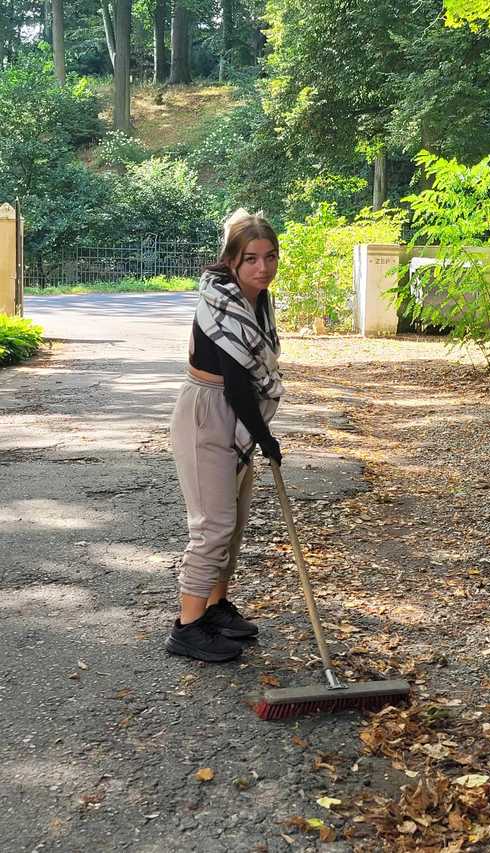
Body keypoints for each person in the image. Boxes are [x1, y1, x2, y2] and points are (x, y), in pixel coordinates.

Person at [166, 209, 283, 663]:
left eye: (270, 257)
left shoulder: (258, 298)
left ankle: (214, 608)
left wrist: (257, 433)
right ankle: (188, 626)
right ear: (231, 261)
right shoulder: (222, 302)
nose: (262, 267)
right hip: (207, 411)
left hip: (236, 411)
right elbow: (235, 381)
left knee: (231, 523)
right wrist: (264, 437)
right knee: (212, 525)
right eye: (251, 259)